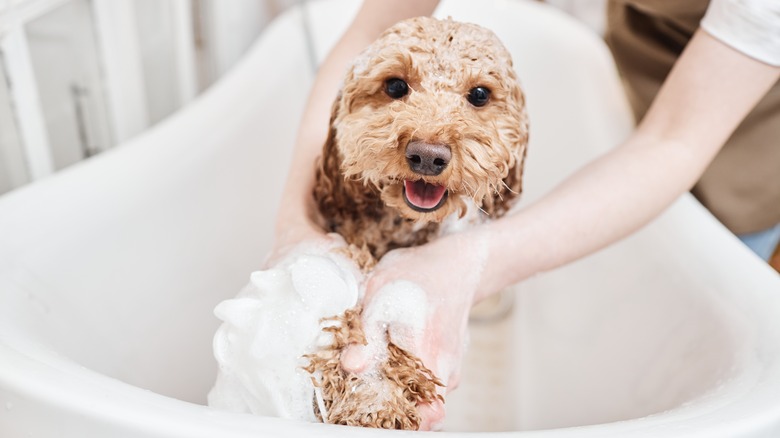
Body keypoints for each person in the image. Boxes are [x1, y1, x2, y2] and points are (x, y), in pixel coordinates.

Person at [271, 0, 780, 430]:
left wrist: (476, 263)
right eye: (398, 88)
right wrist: (295, 219)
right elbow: (366, 33)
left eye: (477, 97)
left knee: (704, 321)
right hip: (639, 54)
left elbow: (675, 140)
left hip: (748, 123)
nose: (428, 147)